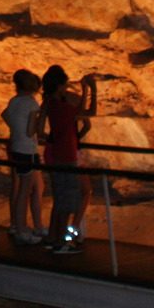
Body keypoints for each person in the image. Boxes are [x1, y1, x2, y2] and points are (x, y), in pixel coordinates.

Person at [38, 65, 97, 254]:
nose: (66, 88)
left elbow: (39, 131)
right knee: (67, 201)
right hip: (67, 155)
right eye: (64, 84)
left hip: (54, 154)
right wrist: (90, 89)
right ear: (59, 86)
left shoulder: (47, 103)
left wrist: (52, 140)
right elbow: (88, 112)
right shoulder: (64, 107)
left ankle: (52, 237)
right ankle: (61, 242)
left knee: (59, 198)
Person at [3, 69, 45, 245]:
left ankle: (34, 225)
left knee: (36, 185)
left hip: (18, 147)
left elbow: (4, 115)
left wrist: (15, 129)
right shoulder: (31, 103)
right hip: (28, 149)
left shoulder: (14, 101)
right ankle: (21, 229)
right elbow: (30, 131)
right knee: (25, 190)